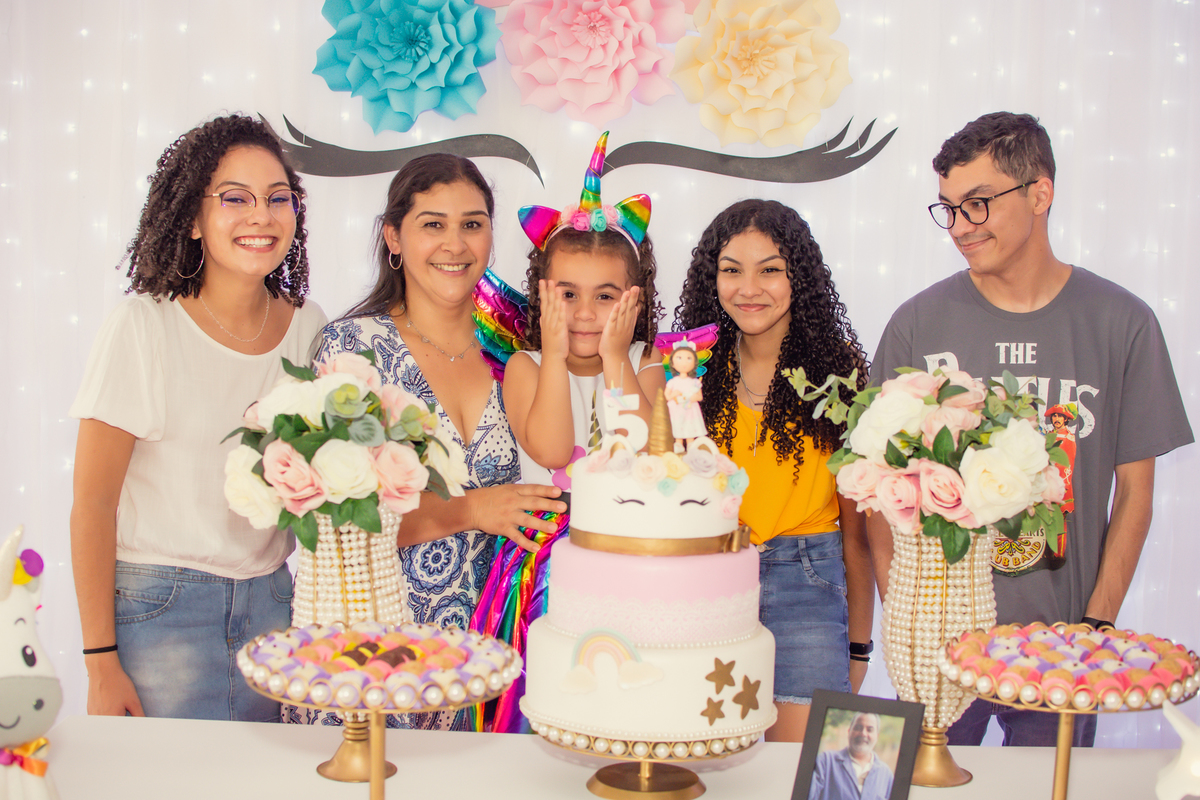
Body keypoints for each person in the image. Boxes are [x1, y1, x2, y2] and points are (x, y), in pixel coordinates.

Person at [870, 111, 1193, 747]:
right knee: (935, 792)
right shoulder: (917, 324)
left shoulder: (1122, 323)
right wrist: (905, 613)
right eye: (948, 209)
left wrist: (1096, 628)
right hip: (943, 642)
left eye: (978, 203)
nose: (960, 226)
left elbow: (1135, 492)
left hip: (1063, 648)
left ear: (1040, 194)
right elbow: (879, 492)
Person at [69, 114, 328, 721]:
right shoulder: (144, 325)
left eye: (277, 198)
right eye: (235, 198)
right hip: (160, 609)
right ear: (192, 217)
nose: (261, 216)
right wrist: (100, 662)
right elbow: (92, 504)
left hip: (274, 605)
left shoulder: (308, 326)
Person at [308, 153, 566, 730]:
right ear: (393, 238)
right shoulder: (352, 350)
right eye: (433, 224)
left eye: (472, 224)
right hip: (375, 650)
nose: (455, 243)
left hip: (493, 656)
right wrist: (472, 510)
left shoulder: (518, 348)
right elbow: (340, 526)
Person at [675, 199, 875, 742]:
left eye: (769, 270)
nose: (749, 288)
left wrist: (859, 646)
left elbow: (857, 531)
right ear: (711, 278)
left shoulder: (840, 372)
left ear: (798, 277)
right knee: (712, 763)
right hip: (710, 580)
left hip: (808, 581)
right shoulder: (690, 370)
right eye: (731, 270)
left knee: (800, 769)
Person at [809, 712, 894, 800]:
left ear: (877, 736)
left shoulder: (886, 774)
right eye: (858, 728)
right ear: (849, 731)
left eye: (869, 730)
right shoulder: (826, 761)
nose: (863, 733)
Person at [664, 342, 705, 452]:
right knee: (678, 428)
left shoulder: (694, 382)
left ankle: (691, 445)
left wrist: (693, 397)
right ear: (672, 363)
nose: (684, 362)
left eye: (688, 358)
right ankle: (678, 444)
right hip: (676, 410)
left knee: (689, 428)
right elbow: (667, 396)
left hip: (690, 410)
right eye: (679, 358)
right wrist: (674, 394)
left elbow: (700, 397)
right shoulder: (673, 382)